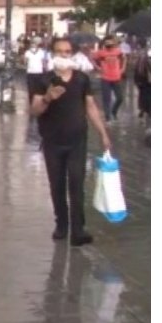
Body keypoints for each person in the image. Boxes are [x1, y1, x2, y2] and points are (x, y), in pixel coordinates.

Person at [30, 37, 113, 247]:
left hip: (77, 139)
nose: (64, 55)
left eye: (67, 51)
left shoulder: (81, 79)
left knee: (76, 184)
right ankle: (61, 225)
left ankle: (78, 229)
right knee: (57, 184)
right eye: (59, 51)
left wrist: (103, 133)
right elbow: (34, 110)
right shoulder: (44, 80)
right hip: (52, 140)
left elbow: (91, 107)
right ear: (52, 54)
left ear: (72, 54)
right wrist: (48, 98)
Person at [93, 37, 126, 122]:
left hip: (116, 78)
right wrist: (97, 67)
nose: (109, 46)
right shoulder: (100, 53)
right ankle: (108, 117)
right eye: (107, 44)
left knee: (120, 97)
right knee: (106, 99)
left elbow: (124, 58)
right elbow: (92, 59)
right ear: (104, 44)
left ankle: (114, 111)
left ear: (114, 44)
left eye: (111, 44)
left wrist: (123, 69)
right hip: (105, 78)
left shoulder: (118, 51)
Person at [23, 38, 48, 102]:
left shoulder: (27, 52)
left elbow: (25, 62)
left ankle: (31, 101)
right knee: (38, 88)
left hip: (30, 72)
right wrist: (45, 69)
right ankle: (37, 102)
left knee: (31, 89)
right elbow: (44, 63)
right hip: (39, 72)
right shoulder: (42, 52)